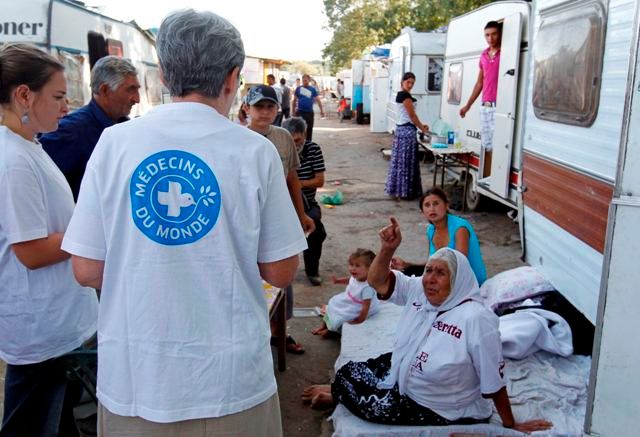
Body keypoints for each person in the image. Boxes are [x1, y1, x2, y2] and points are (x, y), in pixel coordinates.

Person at [61, 9, 307, 436]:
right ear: (232, 79)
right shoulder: (254, 152)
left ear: (164, 76)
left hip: (136, 378)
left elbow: (87, 269)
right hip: (229, 381)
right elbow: (280, 271)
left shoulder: (114, 144)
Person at [302, 218, 553, 433]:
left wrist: (510, 424)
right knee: (348, 372)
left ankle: (338, 395)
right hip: (405, 371)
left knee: (369, 402)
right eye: (429, 270)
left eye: (440, 273)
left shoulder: (476, 319)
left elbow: (492, 379)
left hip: (436, 405)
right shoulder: (420, 290)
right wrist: (387, 249)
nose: (430, 279)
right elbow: (377, 281)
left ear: (457, 280)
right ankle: (340, 391)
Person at [0, 43, 99, 437]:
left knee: (58, 425)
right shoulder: (13, 161)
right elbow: (31, 251)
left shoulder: (28, 147)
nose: (66, 105)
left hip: (58, 322)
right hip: (40, 329)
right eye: (58, 96)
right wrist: (92, 231)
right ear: (24, 94)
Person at [247, 85, 313, 354]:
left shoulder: (284, 137)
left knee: (283, 274)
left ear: (278, 110)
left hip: (280, 216)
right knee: (251, 277)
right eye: (258, 107)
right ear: (246, 109)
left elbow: (291, 178)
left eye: (270, 107)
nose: (264, 112)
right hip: (249, 219)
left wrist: (300, 214)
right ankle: (254, 336)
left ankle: (279, 333)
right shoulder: (236, 138)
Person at [40, 56, 140, 200]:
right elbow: (39, 184)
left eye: (137, 90)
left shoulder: (124, 127)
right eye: (130, 90)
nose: (137, 99)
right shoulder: (71, 131)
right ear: (104, 90)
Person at [391, 187, 487, 284]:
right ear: (423, 211)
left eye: (436, 203)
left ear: (446, 205)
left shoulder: (460, 228)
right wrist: (407, 265)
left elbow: (459, 266)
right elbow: (433, 265)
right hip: (446, 277)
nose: (432, 209)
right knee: (400, 277)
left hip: (469, 282)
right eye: (427, 205)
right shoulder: (431, 231)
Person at [283, 116, 326, 286]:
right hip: (283, 205)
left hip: (307, 202)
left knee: (317, 232)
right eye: (290, 140)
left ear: (305, 134)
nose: (295, 144)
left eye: (298, 139)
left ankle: (312, 270)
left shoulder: (313, 149)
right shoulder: (279, 151)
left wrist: (297, 184)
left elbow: (320, 180)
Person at [459, 21, 502, 177]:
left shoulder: (505, 53)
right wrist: (468, 105)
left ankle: (498, 177)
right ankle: (491, 177)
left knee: (500, 145)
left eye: (494, 34)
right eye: (487, 35)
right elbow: (479, 83)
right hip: (485, 106)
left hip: (501, 107)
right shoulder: (483, 55)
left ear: (500, 34)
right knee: (488, 145)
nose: (490, 38)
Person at [311, 249, 379, 337]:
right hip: (348, 300)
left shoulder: (367, 288)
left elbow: (366, 306)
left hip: (357, 308)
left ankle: (333, 331)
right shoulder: (357, 276)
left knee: (342, 317)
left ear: (370, 268)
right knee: (332, 304)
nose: (353, 268)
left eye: (357, 266)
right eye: (351, 265)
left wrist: (360, 320)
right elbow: (350, 279)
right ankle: (323, 326)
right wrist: (338, 281)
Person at [385, 72, 430, 200]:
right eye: (408, 82)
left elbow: (409, 116)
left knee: (400, 162)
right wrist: (422, 128)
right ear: (402, 82)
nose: (410, 85)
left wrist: (421, 126)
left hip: (401, 130)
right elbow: (412, 115)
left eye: (412, 83)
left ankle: (399, 190)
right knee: (407, 163)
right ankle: (406, 192)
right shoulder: (405, 96)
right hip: (407, 132)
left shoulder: (401, 95)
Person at [292, 74, 325, 141]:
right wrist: (293, 111)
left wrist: (322, 110)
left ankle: (308, 143)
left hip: (309, 113)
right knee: (299, 129)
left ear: (309, 80)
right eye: (303, 80)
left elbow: (318, 100)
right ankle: (299, 144)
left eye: (306, 80)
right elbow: (294, 100)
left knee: (309, 129)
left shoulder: (312, 89)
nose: (305, 81)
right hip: (300, 112)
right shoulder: (299, 89)